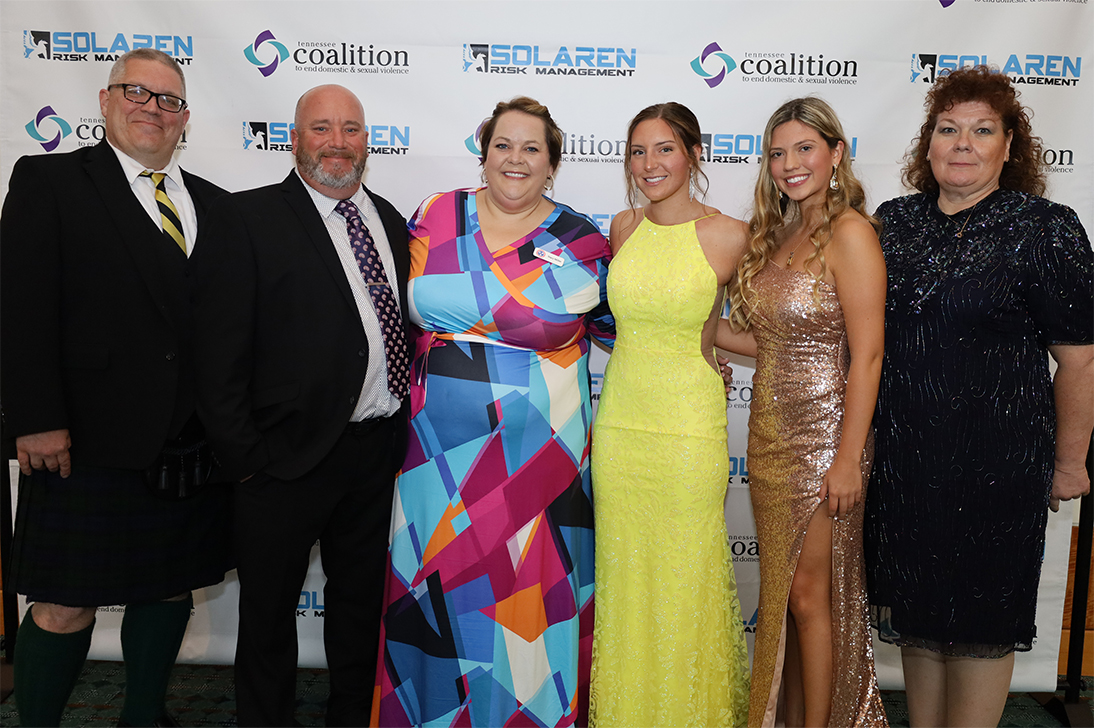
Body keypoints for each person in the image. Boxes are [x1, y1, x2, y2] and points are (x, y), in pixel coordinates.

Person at [0, 48, 232, 727]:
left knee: (167, 588)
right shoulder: (49, 181)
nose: (151, 108)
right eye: (136, 92)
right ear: (105, 101)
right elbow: (19, 307)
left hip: (188, 444)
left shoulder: (215, 205)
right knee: (63, 601)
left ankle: (144, 717)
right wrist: (34, 417)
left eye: (168, 99)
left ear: (184, 118)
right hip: (82, 441)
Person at [371, 96, 614, 728]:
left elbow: (625, 329)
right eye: (503, 144)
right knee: (439, 600)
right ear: (483, 154)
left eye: (532, 148)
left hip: (539, 469)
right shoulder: (434, 214)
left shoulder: (582, 239)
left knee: (524, 610)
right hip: (435, 462)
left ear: (553, 163)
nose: (516, 158)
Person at [864, 65, 1093, 728]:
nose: (962, 143)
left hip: (999, 467)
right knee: (919, 621)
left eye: (982, 130)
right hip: (907, 465)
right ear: (928, 144)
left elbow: (1079, 359)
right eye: (948, 129)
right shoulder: (893, 223)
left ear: (1009, 146)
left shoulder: (1046, 228)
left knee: (981, 625)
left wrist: (1070, 462)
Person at [190, 84, 410, 727]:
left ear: (367, 141)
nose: (337, 143)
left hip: (376, 452)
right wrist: (247, 460)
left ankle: (353, 717)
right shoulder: (246, 217)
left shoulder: (390, 219)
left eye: (351, 129)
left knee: (360, 607)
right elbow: (215, 351)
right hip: (281, 460)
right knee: (267, 616)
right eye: (321, 128)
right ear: (294, 139)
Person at [719, 97, 888, 728]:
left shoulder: (852, 233)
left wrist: (847, 458)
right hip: (769, 437)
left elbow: (868, 356)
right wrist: (693, 329)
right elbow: (767, 342)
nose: (790, 164)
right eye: (777, 153)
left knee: (810, 596)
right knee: (786, 597)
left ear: (836, 153)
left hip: (826, 442)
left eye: (805, 148)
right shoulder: (777, 233)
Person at [589, 102, 750, 727]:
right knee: (626, 577)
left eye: (664, 149)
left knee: (686, 577)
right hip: (622, 426)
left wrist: (709, 343)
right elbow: (629, 321)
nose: (649, 164)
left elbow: (755, 332)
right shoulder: (622, 227)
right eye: (638, 151)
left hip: (688, 430)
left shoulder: (731, 234)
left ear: (693, 154)